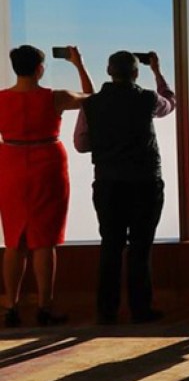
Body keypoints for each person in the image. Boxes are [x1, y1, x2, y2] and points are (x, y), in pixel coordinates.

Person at [74, 50, 176, 324]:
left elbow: (82, 144)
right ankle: (140, 310)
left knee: (111, 246)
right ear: (136, 73)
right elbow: (170, 104)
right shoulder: (146, 98)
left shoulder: (92, 104)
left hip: (108, 182)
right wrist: (157, 71)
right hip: (145, 182)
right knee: (140, 248)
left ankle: (106, 311)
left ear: (109, 71)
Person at [0, 45, 93, 327]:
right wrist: (78, 64)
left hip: (11, 163)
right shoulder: (56, 98)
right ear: (40, 68)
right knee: (45, 239)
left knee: (14, 239)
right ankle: (44, 306)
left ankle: (11, 307)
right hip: (47, 164)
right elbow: (91, 98)